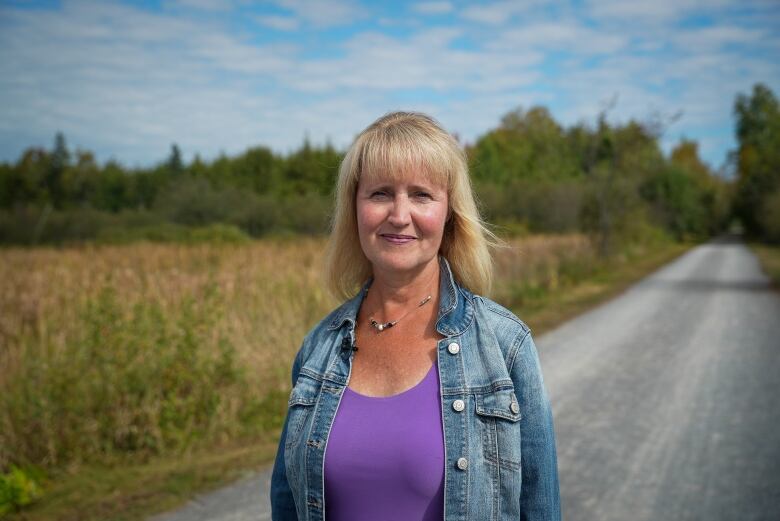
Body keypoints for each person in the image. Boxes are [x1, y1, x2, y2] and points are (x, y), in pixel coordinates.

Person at [270, 111, 560, 520]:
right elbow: (287, 506)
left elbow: (541, 509)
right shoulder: (318, 350)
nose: (399, 215)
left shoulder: (505, 346)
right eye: (381, 193)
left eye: (421, 195)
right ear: (354, 207)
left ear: (450, 213)